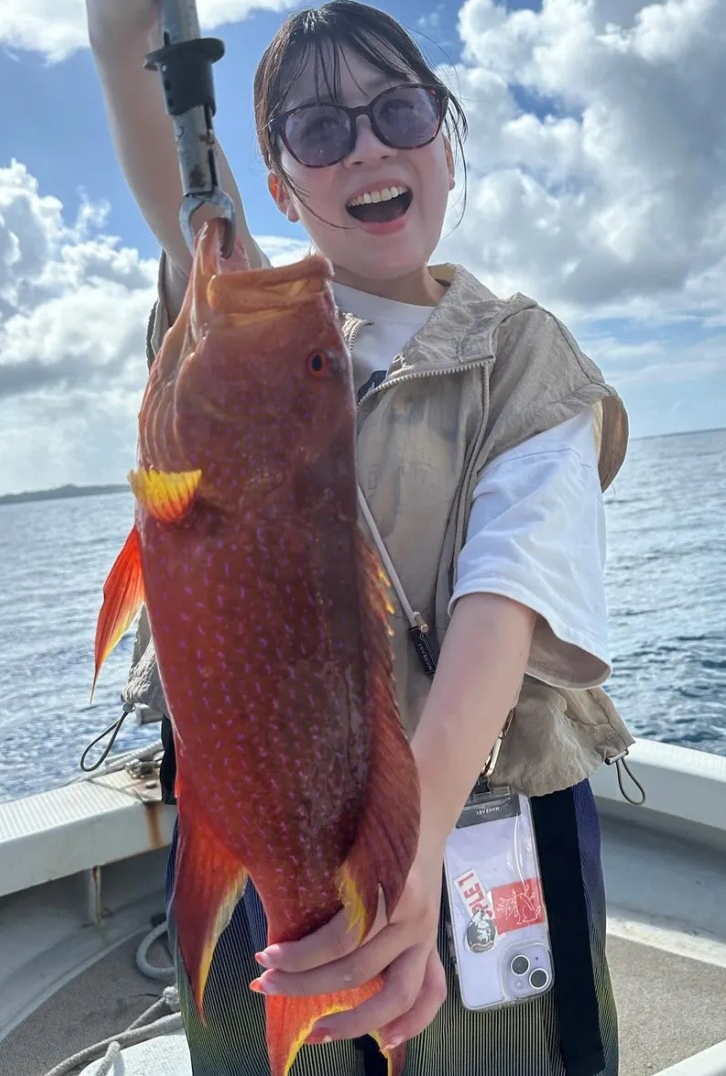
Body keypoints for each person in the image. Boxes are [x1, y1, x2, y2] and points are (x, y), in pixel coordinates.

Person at [85, 2, 634, 1073]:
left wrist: (409, 844)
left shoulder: (526, 357)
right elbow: (154, 115)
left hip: (484, 823)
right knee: (288, 1030)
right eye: (323, 131)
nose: (370, 145)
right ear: (282, 186)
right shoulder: (246, 311)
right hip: (269, 800)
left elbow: (505, 596)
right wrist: (120, 27)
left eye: (398, 111)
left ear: (445, 135)